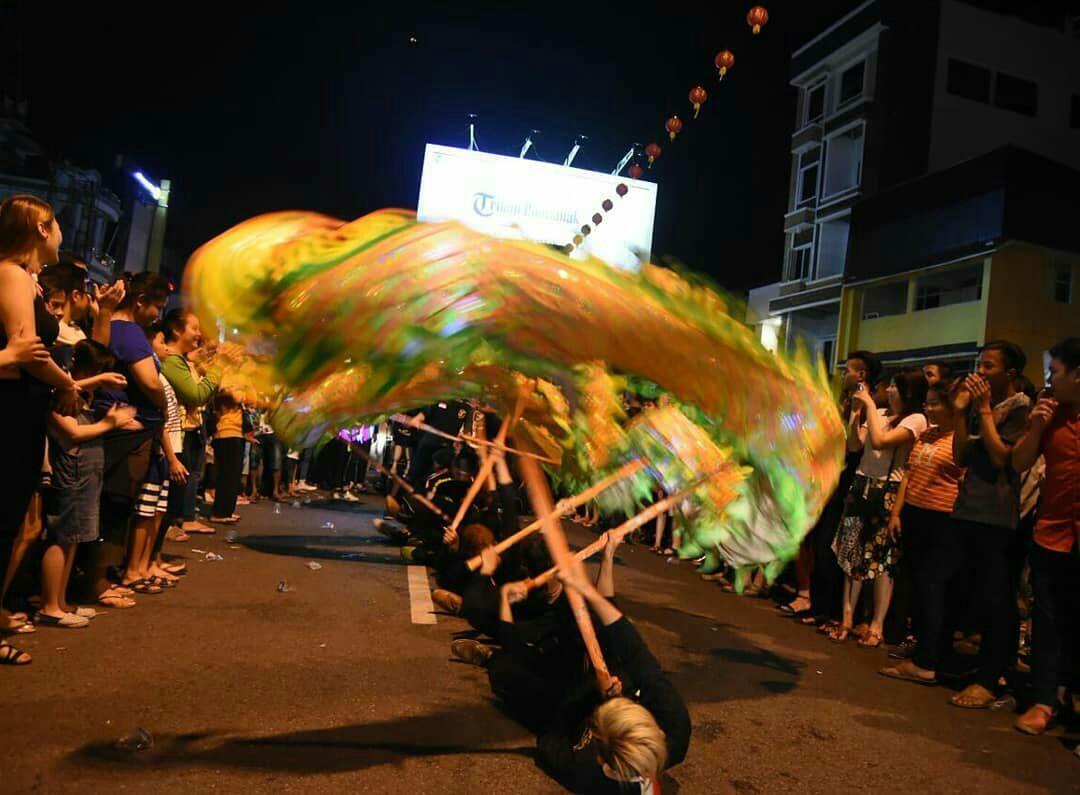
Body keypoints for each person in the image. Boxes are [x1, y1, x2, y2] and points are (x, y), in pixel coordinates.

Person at [0, 195, 80, 662]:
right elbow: (25, 348)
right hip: (10, 409)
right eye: (58, 223)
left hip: (24, 408)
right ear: (41, 228)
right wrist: (67, 381)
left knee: (17, 520)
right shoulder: (11, 273)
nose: (62, 232)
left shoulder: (23, 278)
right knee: (5, 519)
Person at [946, 340, 1031, 709]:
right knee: (970, 593)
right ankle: (971, 666)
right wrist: (963, 414)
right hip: (969, 508)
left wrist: (982, 409)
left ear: (1010, 373)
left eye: (990, 367)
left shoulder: (1020, 407)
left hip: (998, 517)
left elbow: (1003, 459)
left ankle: (992, 677)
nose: (980, 374)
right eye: (979, 365)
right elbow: (961, 455)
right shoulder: (986, 408)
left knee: (998, 599)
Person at [39, 341, 137, 628]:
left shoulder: (81, 394)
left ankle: (61, 602)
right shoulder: (62, 392)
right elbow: (71, 433)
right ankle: (49, 606)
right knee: (62, 534)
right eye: (100, 372)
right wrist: (111, 423)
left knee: (75, 537)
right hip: (71, 470)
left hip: (86, 470)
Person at [1010, 338, 1079, 735]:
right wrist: (1036, 424)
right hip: (1052, 532)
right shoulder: (1050, 414)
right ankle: (1043, 701)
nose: (1049, 380)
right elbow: (1020, 461)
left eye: (1055, 371)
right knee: (1048, 619)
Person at [830, 369, 928, 647]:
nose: (890, 390)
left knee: (883, 559)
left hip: (888, 491)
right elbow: (854, 445)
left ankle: (877, 625)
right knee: (851, 553)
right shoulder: (880, 413)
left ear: (908, 392)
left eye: (896, 386)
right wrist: (857, 413)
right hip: (861, 485)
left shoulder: (916, 419)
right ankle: (847, 619)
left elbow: (882, 441)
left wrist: (870, 406)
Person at [878, 380, 964, 682]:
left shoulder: (959, 441)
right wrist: (897, 512)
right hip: (914, 514)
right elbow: (908, 475)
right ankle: (919, 651)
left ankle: (929, 659)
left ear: (954, 407)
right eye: (926, 403)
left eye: (934, 403)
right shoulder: (927, 433)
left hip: (942, 521)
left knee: (932, 589)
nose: (928, 408)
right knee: (914, 586)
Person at [796, 350, 883, 629]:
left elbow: (853, 444)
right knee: (822, 544)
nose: (844, 374)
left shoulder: (869, 402)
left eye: (848, 370)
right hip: (833, 478)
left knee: (830, 548)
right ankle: (819, 606)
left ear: (862, 374)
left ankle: (831, 611)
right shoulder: (850, 398)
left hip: (852, 482)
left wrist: (859, 406)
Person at [159, 309, 228, 534]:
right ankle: (171, 526)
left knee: (189, 477)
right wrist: (218, 368)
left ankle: (177, 523)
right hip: (176, 432)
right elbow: (196, 395)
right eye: (194, 328)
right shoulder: (171, 361)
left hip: (189, 427)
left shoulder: (182, 360)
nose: (199, 334)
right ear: (177, 330)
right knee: (176, 484)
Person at [208, 387, 246, 524]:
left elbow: (253, 401)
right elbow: (233, 398)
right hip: (225, 432)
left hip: (237, 432)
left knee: (233, 475)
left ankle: (227, 510)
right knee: (227, 475)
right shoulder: (228, 379)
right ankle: (219, 512)